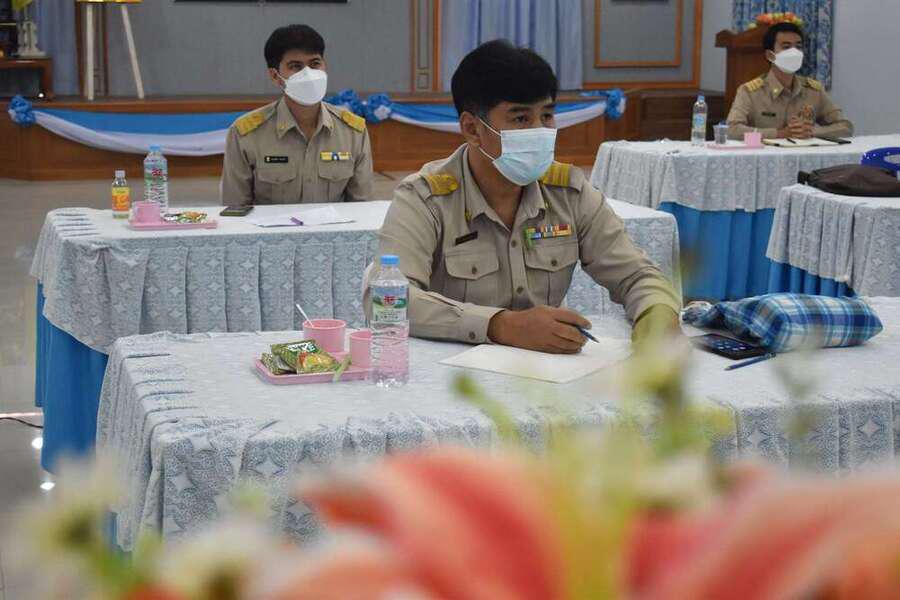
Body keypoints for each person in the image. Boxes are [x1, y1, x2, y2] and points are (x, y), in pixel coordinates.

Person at [364, 40, 681, 354]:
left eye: (547, 116)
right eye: (520, 119)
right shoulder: (425, 199)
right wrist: (499, 325)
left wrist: (655, 314)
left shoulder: (569, 192)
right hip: (453, 370)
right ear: (472, 129)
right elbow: (385, 300)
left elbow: (637, 274)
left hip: (551, 372)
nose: (539, 131)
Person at [220, 24, 373, 206]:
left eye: (315, 64)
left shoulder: (353, 132)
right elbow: (235, 209)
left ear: (325, 66)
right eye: (295, 66)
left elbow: (362, 207)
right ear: (275, 76)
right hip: (270, 226)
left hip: (333, 226)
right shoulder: (245, 134)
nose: (308, 74)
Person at [727, 22, 853, 140]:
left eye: (798, 46)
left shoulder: (814, 90)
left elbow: (846, 127)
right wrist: (779, 133)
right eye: (786, 47)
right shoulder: (750, 92)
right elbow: (732, 129)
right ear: (770, 55)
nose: (794, 52)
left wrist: (811, 131)